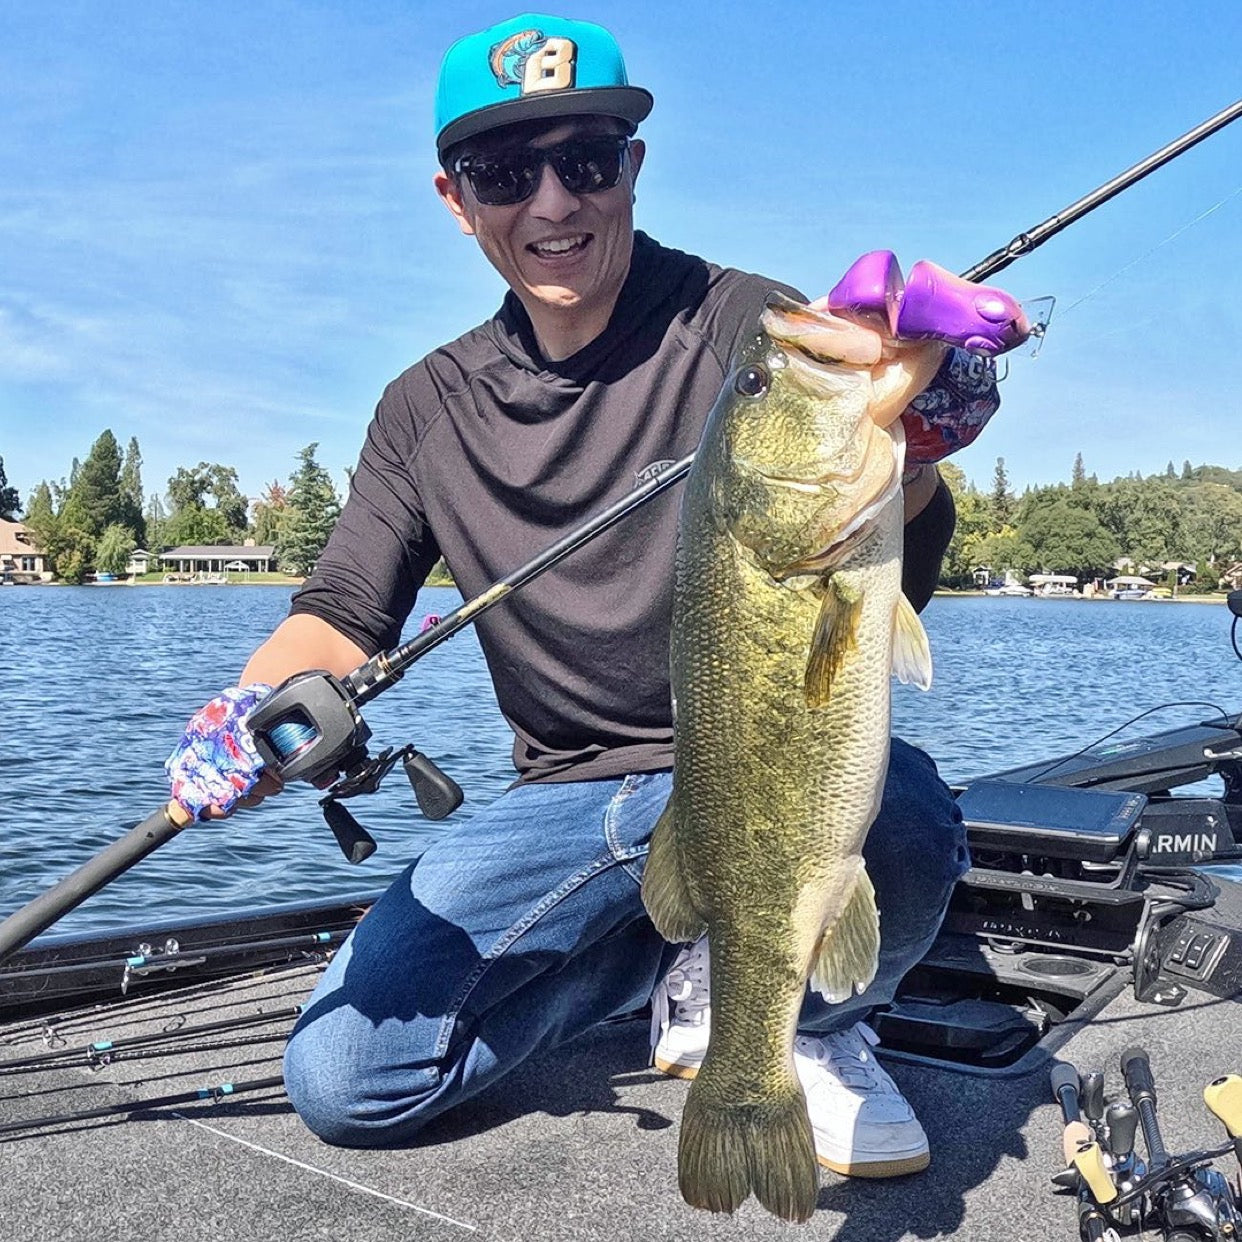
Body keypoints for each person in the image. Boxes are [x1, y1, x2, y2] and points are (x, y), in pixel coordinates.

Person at [166, 14, 1026, 1180]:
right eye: (507, 173)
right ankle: (662, 964)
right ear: (454, 198)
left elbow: (882, 562)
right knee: (346, 1083)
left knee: (908, 816)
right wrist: (247, 712)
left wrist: (917, 445)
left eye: (588, 160)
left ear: (633, 167)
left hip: (753, 761)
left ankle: (804, 1026)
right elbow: (341, 606)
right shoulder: (424, 407)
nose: (553, 204)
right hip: (564, 800)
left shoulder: (741, 327)